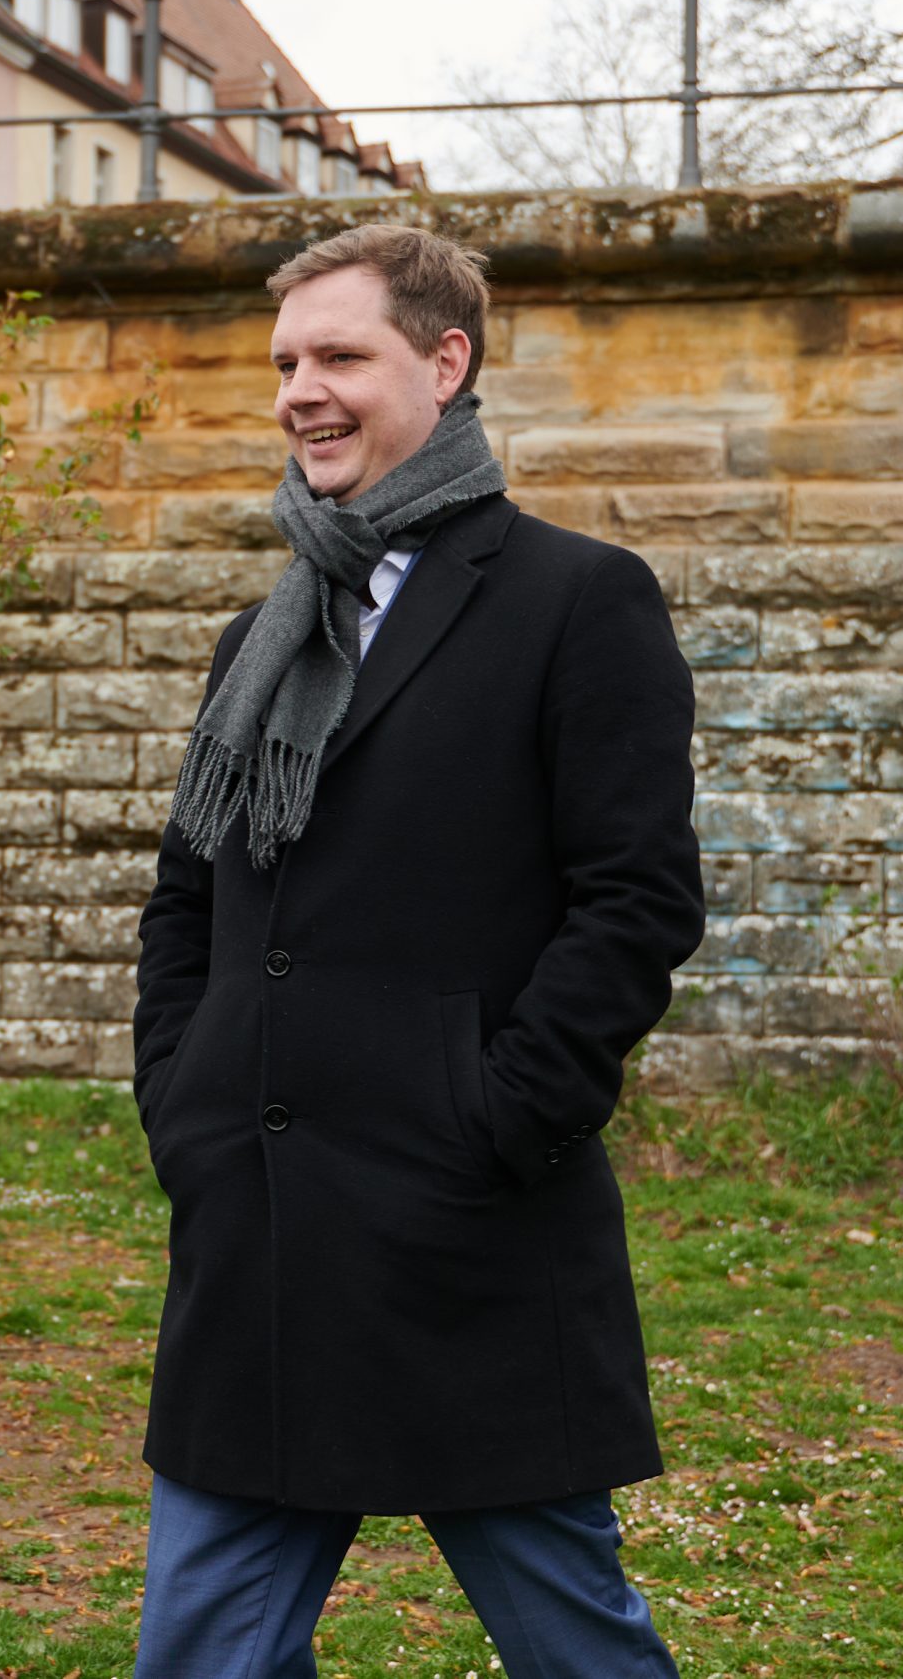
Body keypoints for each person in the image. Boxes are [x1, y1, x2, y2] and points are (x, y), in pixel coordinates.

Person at [131, 225, 706, 1679]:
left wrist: (498, 1114)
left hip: (465, 1234)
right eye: (285, 363)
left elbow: (636, 899)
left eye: (339, 356)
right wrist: (183, 1096)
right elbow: (188, 897)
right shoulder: (261, 633)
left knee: (576, 1650)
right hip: (258, 1233)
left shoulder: (576, 599)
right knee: (199, 1657)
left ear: (445, 364)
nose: (299, 393)